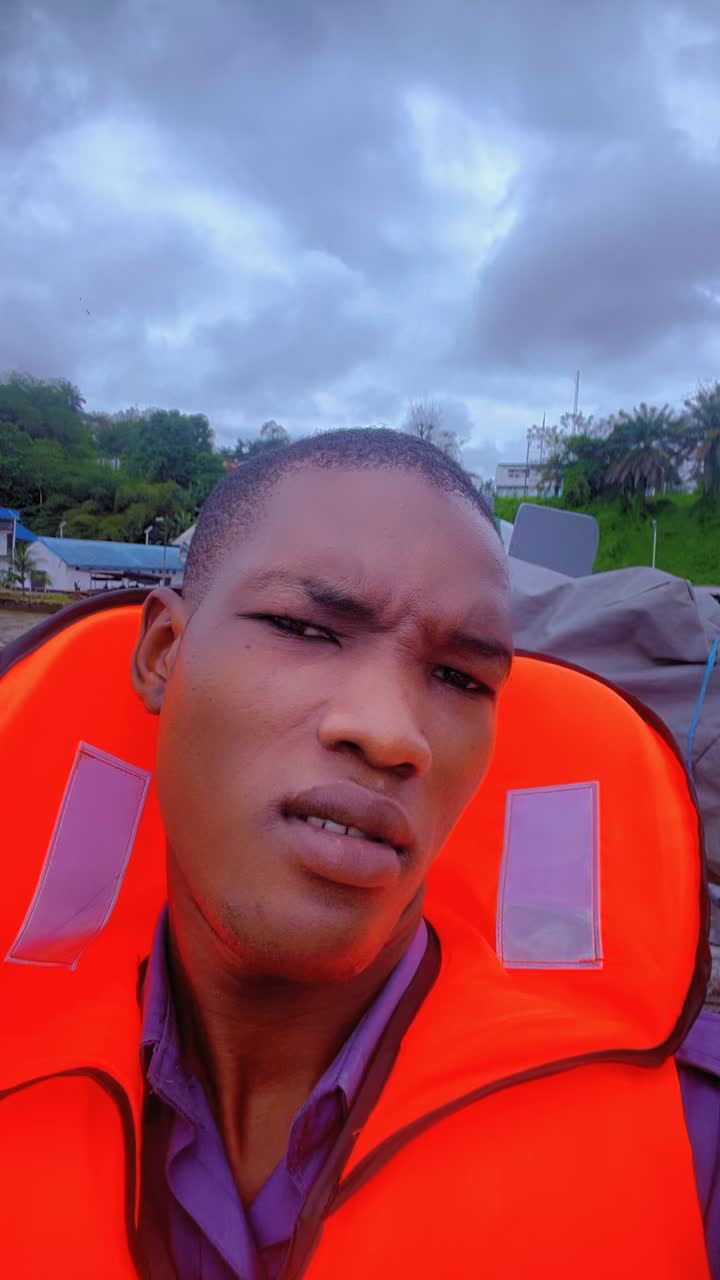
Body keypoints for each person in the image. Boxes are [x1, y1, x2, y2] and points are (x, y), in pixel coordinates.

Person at [0, 429, 712, 1278]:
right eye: (302, 628)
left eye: (462, 679)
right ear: (163, 655)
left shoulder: (691, 1143)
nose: (390, 733)